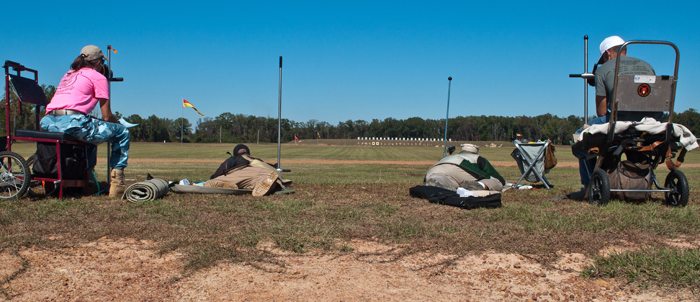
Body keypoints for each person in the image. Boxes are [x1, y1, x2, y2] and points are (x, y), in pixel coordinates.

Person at [570, 36, 655, 198]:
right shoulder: (648, 67)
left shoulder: (604, 69)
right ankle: (646, 177)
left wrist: (599, 81)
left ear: (607, 53)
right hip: (647, 124)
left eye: (603, 58)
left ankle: (588, 184)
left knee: (580, 136)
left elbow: (602, 112)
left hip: (617, 122)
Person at [40, 45, 130, 198]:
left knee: (89, 130)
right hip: (72, 122)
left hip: (49, 121)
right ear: (99, 62)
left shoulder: (68, 74)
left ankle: (87, 180)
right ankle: (117, 184)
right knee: (122, 133)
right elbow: (107, 116)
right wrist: (118, 125)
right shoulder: (99, 77)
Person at [205, 144, 291, 196]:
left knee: (209, 183)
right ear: (250, 154)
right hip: (266, 172)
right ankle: (269, 182)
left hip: (245, 172)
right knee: (260, 181)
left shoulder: (235, 158)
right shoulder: (258, 160)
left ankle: (228, 184)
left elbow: (218, 173)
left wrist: (212, 178)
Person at [424, 143, 505, 192]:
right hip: (460, 166)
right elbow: (496, 177)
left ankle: (437, 182)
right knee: (496, 182)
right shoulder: (478, 158)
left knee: (444, 179)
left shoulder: (452, 156)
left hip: (434, 169)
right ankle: (478, 185)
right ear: (475, 152)